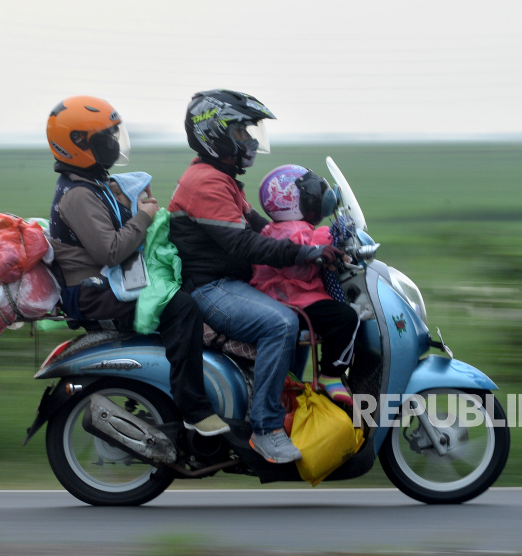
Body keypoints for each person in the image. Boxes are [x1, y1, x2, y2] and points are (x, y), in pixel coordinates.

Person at [168, 90, 342, 464]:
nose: (249, 141)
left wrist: (312, 237)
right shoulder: (206, 183)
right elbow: (246, 246)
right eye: (242, 132)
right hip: (210, 289)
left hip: (229, 284)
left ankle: (284, 402)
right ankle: (266, 429)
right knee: (280, 323)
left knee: (298, 316)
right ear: (215, 134)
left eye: (249, 133)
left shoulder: (222, 179)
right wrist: (307, 253)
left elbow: (262, 229)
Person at [45, 95, 230, 436]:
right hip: (95, 294)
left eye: (115, 135)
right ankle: (194, 409)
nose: (114, 144)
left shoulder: (92, 184)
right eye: (106, 138)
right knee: (182, 307)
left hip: (109, 282)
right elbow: (110, 251)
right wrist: (144, 217)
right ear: (78, 145)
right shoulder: (78, 195)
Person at [251, 165, 359, 405]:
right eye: (312, 196)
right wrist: (330, 244)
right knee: (345, 318)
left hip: (297, 296)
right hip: (291, 301)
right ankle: (330, 376)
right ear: (290, 201)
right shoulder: (288, 231)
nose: (319, 200)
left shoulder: (282, 227)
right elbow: (306, 247)